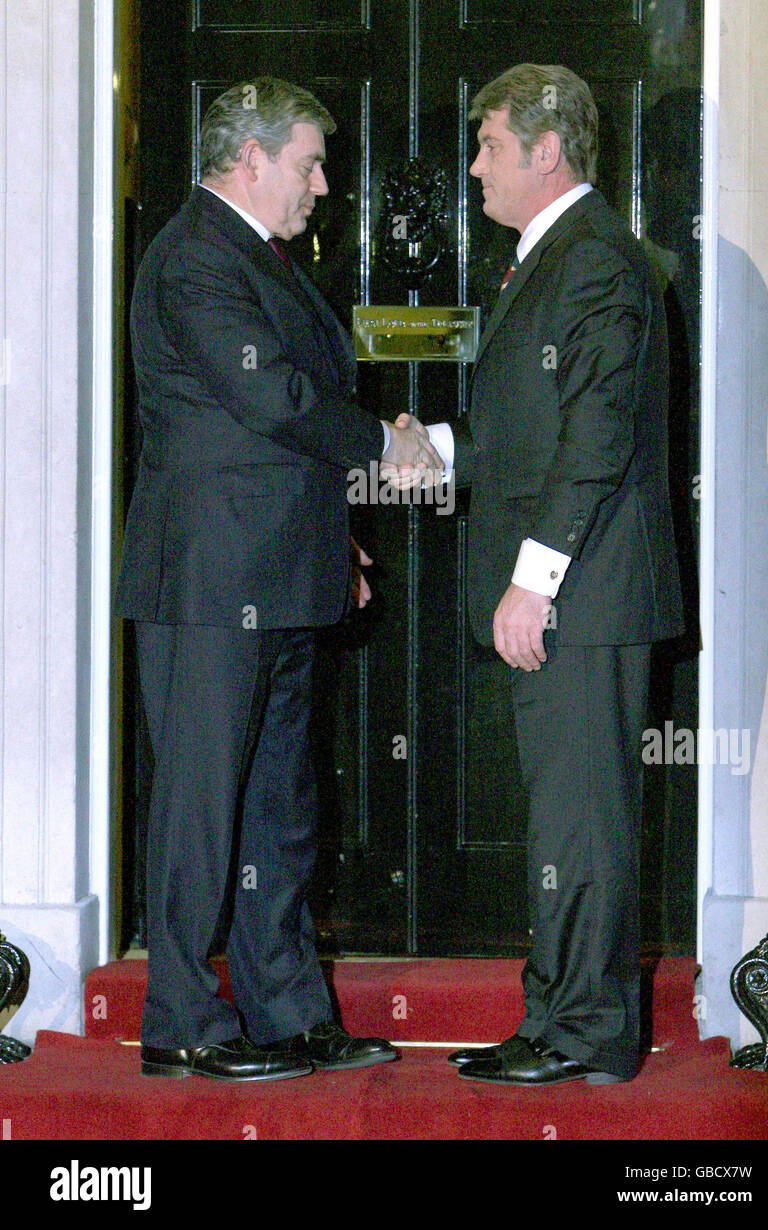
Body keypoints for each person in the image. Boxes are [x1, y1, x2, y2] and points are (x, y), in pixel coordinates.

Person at [114, 76, 442, 1082]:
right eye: (307, 162)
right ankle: (178, 1019)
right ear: (246, 159)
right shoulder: (193, 258)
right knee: (203, 806)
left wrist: (330, 538)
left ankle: (286, 1009)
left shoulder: (262, 258)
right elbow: (270, 395)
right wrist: (388, 444)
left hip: (279, 570)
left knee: (279, 809)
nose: (322, 184)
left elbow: (281, 425)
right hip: (210, 581)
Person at [393, 64, 683, 1085]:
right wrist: (428, 441)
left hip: (583, 597)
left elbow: (596, 437)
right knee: (566, 815)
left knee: (582, 820)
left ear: (545, 150)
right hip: (572, 591)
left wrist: (535, 578)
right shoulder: (555, 255)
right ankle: (559, 1017)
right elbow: (527, 435)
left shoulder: (593, 258)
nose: (472, 167)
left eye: (487, 144)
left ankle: (586, 1035)